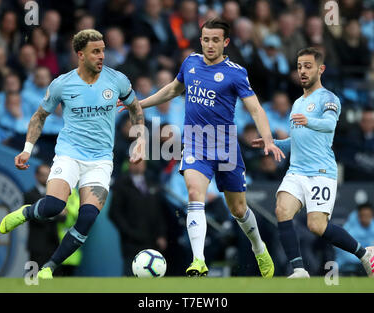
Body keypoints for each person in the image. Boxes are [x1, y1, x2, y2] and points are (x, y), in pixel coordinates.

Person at [119, 18, 284, 278]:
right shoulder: (190, 63)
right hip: (195, 141)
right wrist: (140, 104)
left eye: (215, 40)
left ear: (225, 42)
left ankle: (259, 247)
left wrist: (268, 138)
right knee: (194, 194)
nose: (209, 44)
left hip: (226, 144)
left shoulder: (235, 72)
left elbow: (255, 108)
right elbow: (173, 89)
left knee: (239, 210)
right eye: (205, 39)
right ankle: (199, 261)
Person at [0, 29, 145, 279]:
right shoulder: (63, 84)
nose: (101, 56)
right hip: (69, 154)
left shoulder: (117, 80)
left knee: (88, 217)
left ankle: (50, 267)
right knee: (54, 206)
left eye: (103, 51)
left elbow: (135, 107)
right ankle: (25, 212)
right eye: (95, 52)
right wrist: (26, 150)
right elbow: (39, 116)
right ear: (80, 54)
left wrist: (141, 138)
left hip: (100, 160)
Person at [252, 47, 374, 278]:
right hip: (297, 171)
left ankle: (364, 254)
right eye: (300, 66)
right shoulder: (297, 103)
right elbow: (297, 140)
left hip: (321, 172)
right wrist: (272, 143)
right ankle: (299, 270)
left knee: (316, 226)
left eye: (308, 66)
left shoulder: (329, 98)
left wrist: (309, 120)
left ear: (320, 69)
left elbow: (329, 125)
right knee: (282, 209)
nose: (302, 71)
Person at [109, 160, 167, 276]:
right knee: (130, 272)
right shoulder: (121, 184)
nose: (139, 165)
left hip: (151, 239)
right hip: (131, 242)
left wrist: (161, 234)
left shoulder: (151, 184)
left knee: (152, 272)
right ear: (129, 164)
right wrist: (129, 232)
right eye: (136, 162)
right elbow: (114, 213)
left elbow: (159, 212)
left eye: (141, 162)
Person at [335, 203, 374, 276]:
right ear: (358, 216)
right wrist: (370, 260)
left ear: (372, 216)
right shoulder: (348, 231)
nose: (366, 218)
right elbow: (348, 257)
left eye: (368, 215)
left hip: (371, 268)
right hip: (348, 269)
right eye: (363, 215)